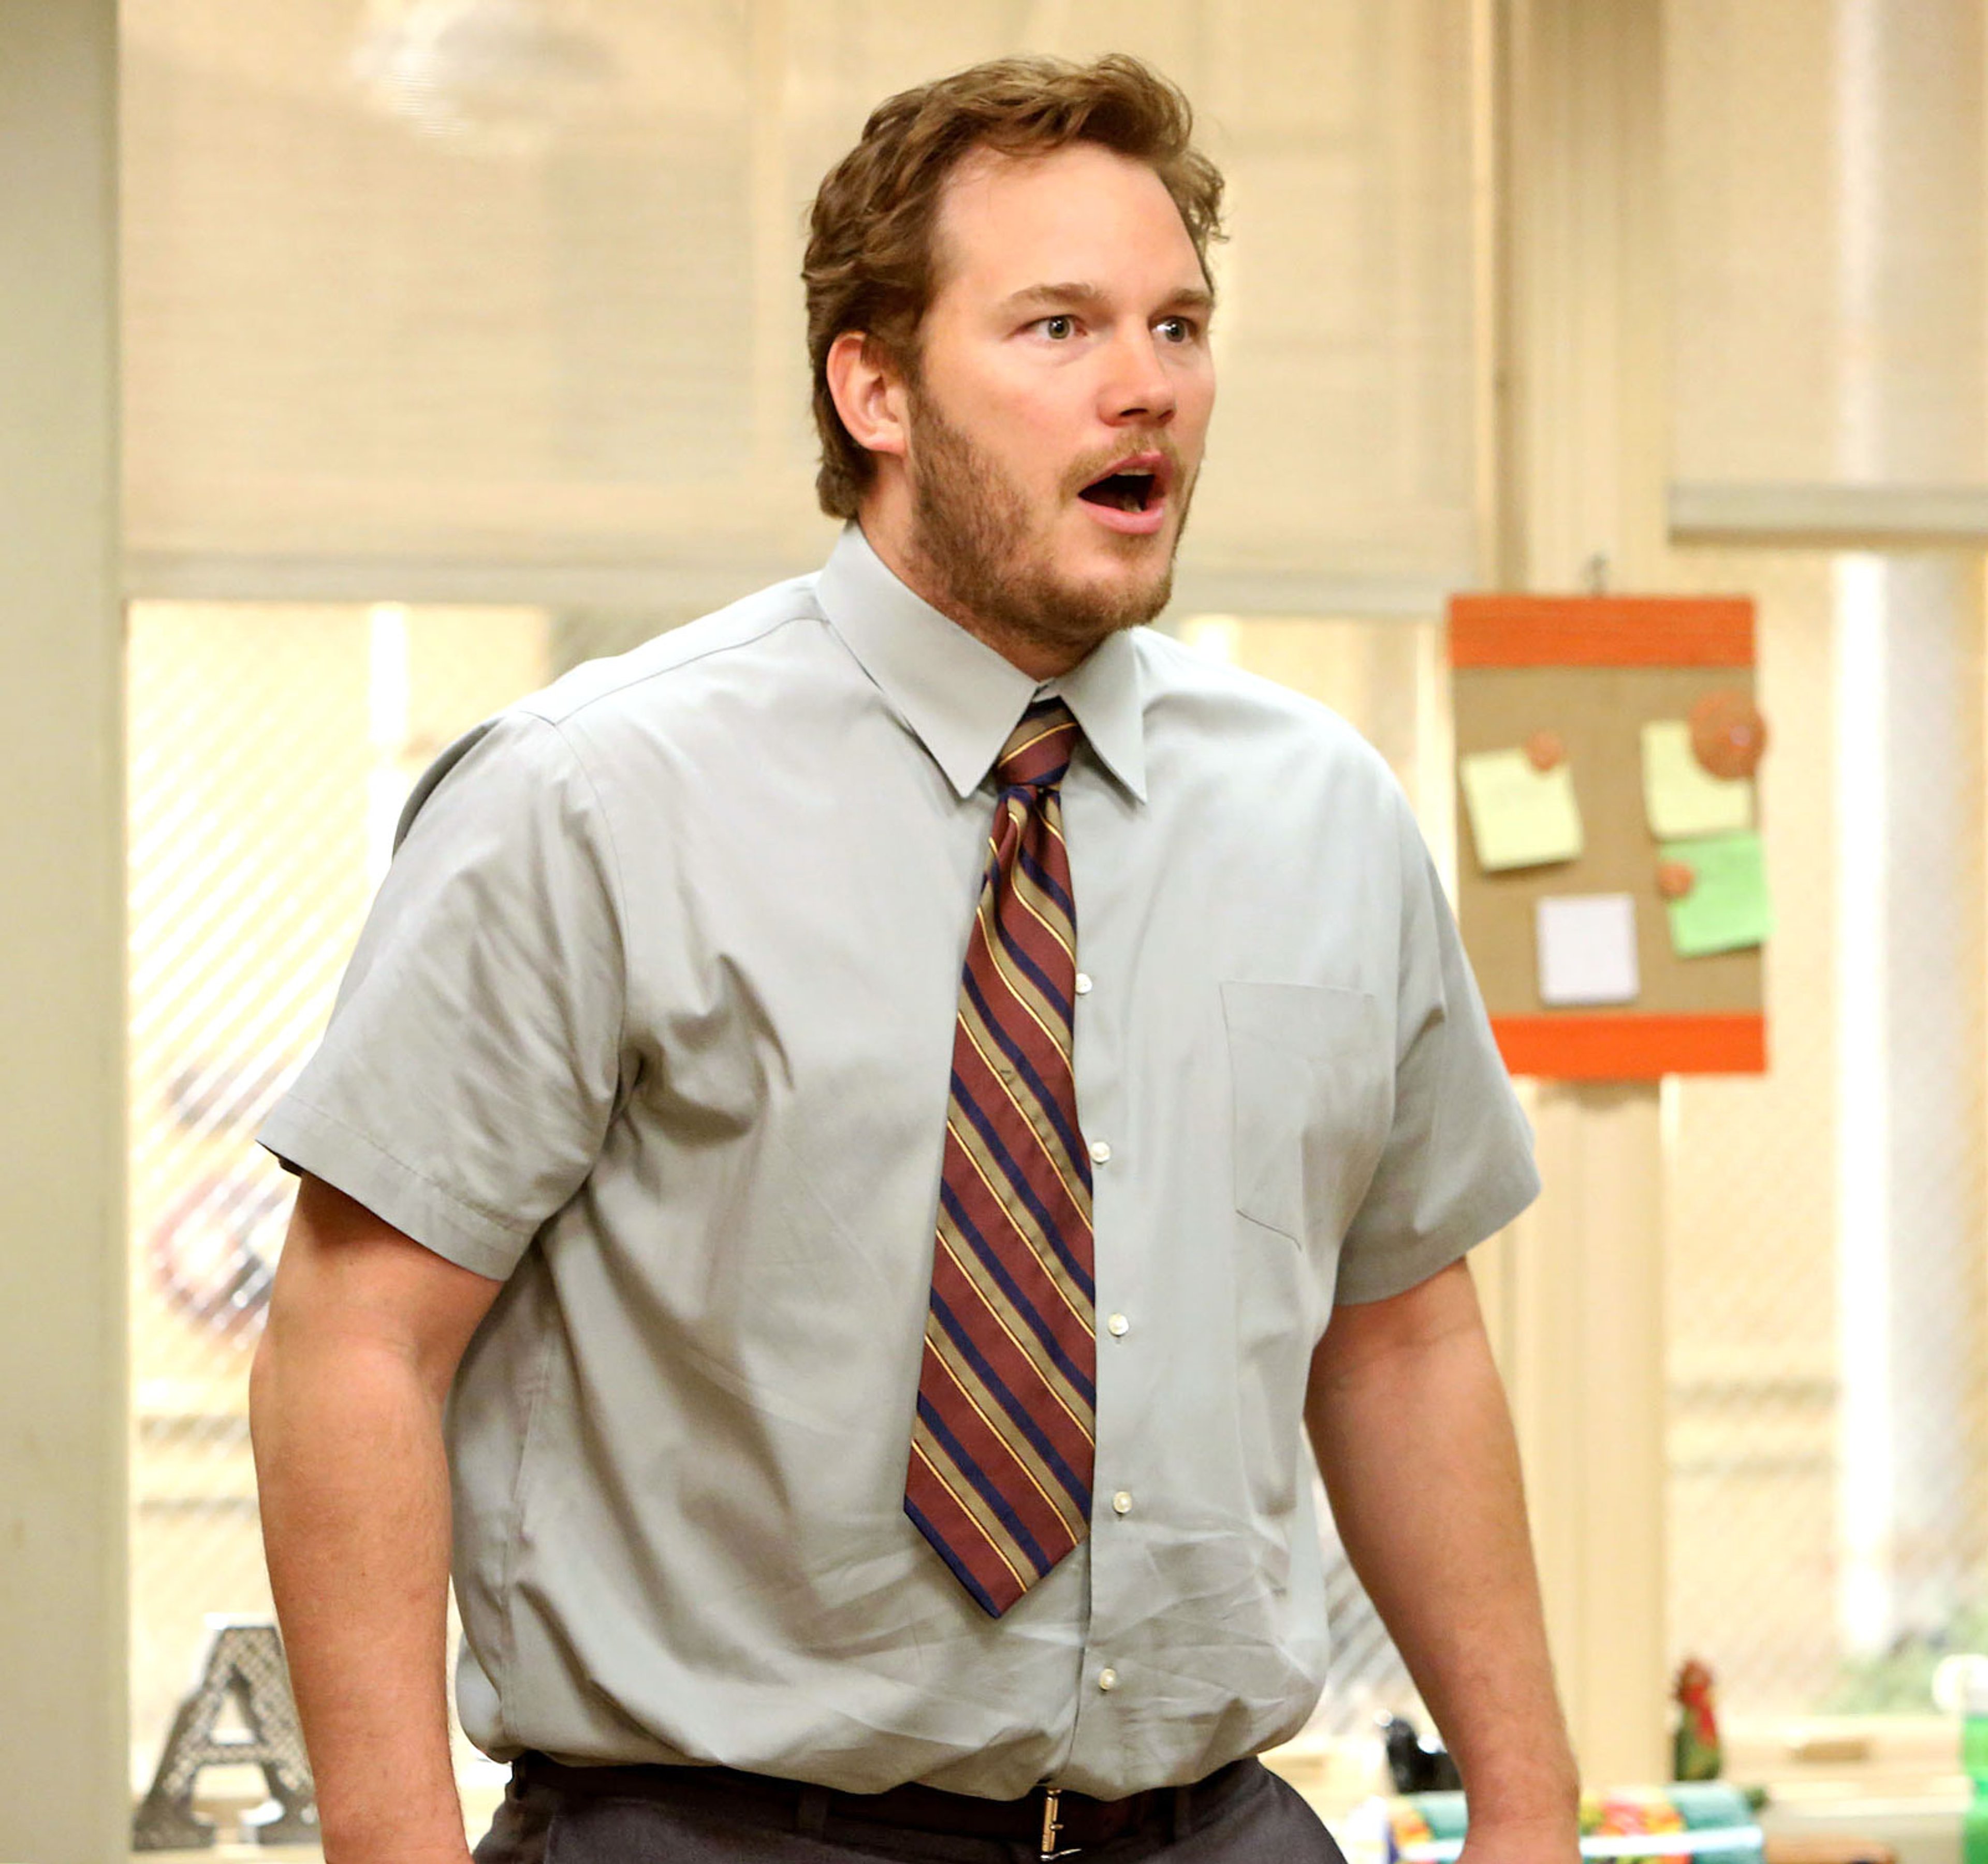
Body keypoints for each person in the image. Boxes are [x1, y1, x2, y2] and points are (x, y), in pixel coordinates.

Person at [250, 52, 1580, 1864]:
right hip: (716, 1834)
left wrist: (1529, 1811)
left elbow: (1406, 1338)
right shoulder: (592, 800)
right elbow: (354, 1343)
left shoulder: (1324, 816)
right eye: (1057, 327)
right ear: (873, 387)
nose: (1147, 389)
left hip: (1215, 1830)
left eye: (1179, 326)